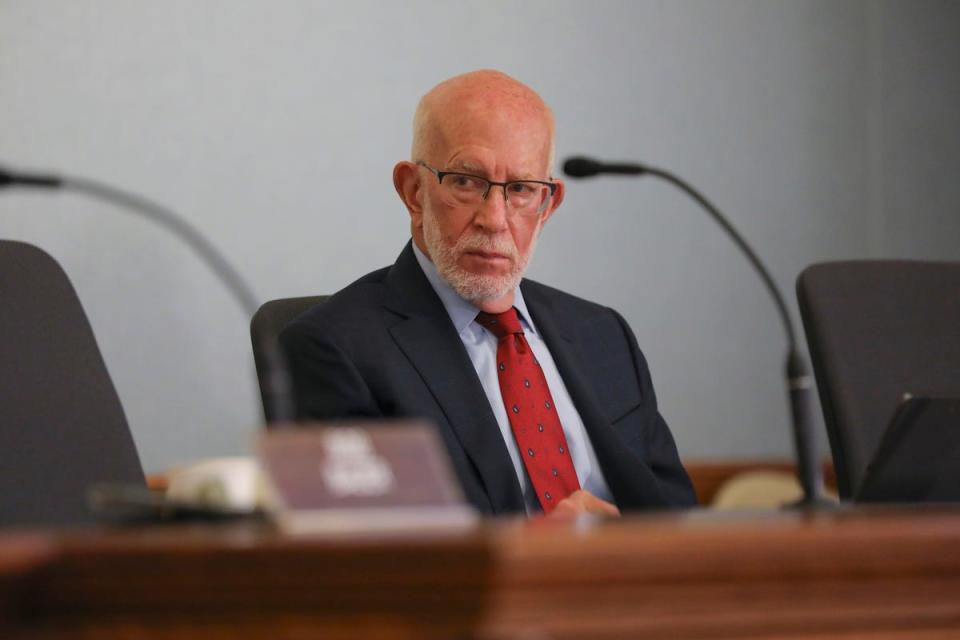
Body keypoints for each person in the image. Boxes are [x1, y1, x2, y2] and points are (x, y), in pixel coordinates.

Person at [281, 70, 695, 516]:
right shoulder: (335, 349)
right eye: (465, 181)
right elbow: (369, 557)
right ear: (413, 191)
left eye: (520, 189)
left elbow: (677, 519)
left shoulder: (605, 337)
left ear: (547, 205)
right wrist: (540, 550)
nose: (494, 219)